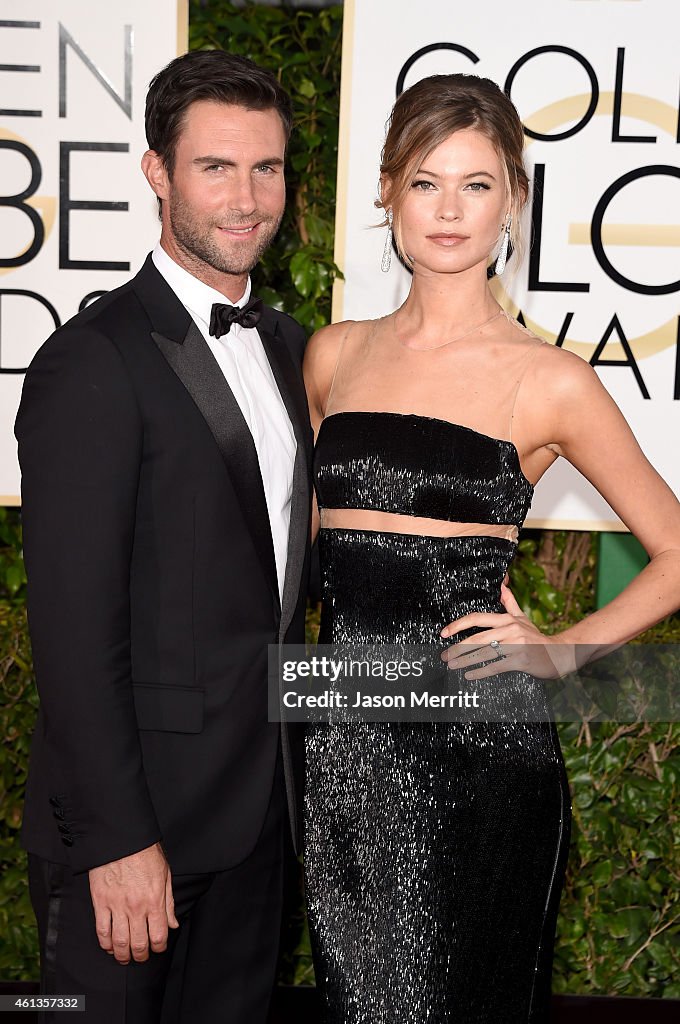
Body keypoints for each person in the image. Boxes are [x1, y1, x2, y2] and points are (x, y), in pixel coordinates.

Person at [302, 74, 680, 1022]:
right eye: (427, 181)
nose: (450, 210)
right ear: (387, 189)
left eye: (477, 185)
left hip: (480, 759)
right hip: (342, 754)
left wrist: (562, 651)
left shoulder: (549, 380)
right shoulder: (332, 355)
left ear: (513, 197)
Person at [15, 49, 311, 1023]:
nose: (245, 197)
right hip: (135, 843)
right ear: (157, 173)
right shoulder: (92, 363)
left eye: (265, 168)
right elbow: (71, 629)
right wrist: (116, 841)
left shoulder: (288, 349)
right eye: (215, 167)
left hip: (258, 819)